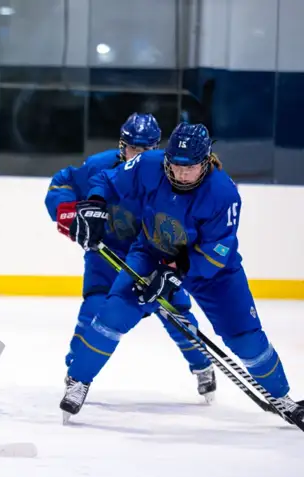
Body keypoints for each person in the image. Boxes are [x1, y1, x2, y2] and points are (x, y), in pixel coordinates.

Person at [61, 122, 303, 426]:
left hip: (213, 272)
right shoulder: (149, 164)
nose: (180, 174)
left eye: (189, 168)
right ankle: (78, 379)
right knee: (111, 315)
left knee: (245, 339)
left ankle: (281, 397)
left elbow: (219, 250)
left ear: (206, 161)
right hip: (151, 254)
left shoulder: (223, 193)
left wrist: (176, 271)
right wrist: (94, 204)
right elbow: (107, 180)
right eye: (174, 166)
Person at [46, 113, 216, 401]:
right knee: (94, 309)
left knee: (177, 315)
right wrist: (71, 214)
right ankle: (76, 374)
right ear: (121, 145)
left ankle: (202, 365)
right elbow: (62, 183)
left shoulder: (167, 175)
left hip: (153, 257)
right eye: (131, 148)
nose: (136, 155)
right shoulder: (99, 167)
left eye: (145, 150)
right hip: (106, 255)